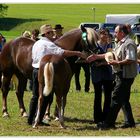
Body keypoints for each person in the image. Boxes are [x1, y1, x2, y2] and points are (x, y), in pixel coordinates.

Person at [28, 24, 86, 126]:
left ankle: (31, 119)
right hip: (44, 70)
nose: (53, 34)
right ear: (46, 34)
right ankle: (39, 119)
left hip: (36, 70)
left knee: (35, 96)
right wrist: (77, 53)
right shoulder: (49, 44)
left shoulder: (36, 43)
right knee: (46, 96)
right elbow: (62, 52)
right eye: (51, 32)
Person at [87, 24, 137, 129]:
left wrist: (117, 62)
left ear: (122, 33)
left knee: (115, 98)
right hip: (120, 75)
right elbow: (110, 54)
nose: (114, 33)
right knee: (124, 99)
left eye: (116, 31)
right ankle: (130, 122)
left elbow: (131, 59)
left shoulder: (129, 43)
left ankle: (108, 123)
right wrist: (96, 56)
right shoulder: (119, 43)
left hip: (125, 76)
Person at [90, 28, 114, 124]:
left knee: (108, 96)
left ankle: (106, 117)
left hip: (108, 74)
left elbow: (110, 57)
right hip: (97, 74)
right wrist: (103, 60)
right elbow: (91, 58)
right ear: (99, 35)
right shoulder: (94, 46)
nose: (105, 36)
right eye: (103, 34)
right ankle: (97, 118)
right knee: (98, 96)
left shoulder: (110, 45)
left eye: (107, 34)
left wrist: (101, 62)